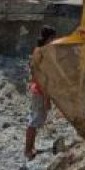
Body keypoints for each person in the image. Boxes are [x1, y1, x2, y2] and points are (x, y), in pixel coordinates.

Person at [26, 26, 57, 160]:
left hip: (36, 88)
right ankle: (28, 150)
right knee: (35, 121)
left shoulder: (38, 51)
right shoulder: (42, 53)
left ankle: (30, 147)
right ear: (48, 38)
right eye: (52, 39)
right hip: (39, 90)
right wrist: (46, 98)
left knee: (35, 119)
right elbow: (42, 77)